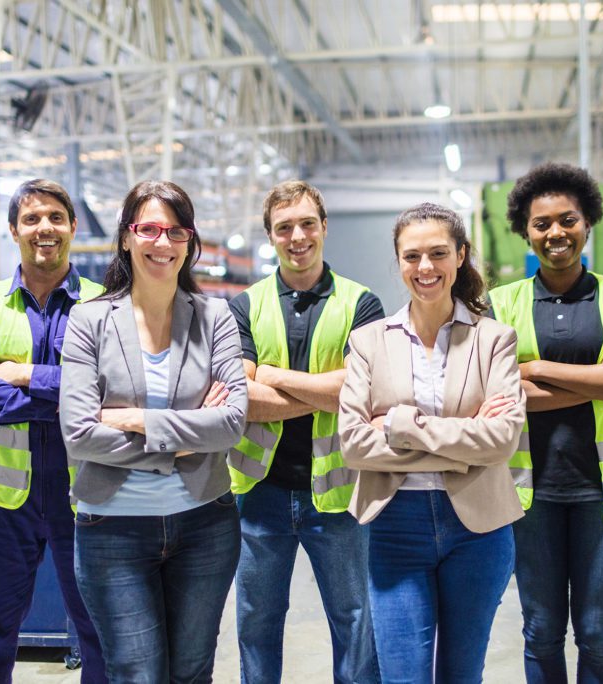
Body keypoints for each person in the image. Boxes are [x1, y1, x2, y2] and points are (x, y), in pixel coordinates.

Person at [59, 180, 247, 683]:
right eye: (149, 229)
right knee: (136, 673)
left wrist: (135, 421)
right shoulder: (90, 320)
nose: (162, 243)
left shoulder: (216, 318)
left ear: (189, 242)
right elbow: (79, 434)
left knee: (191, 671)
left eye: (176, 231)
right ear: (126, 238)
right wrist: (185, 441)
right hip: (112, 530)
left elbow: (230, 422)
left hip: (204, 524)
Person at [337, 202, 526, 683]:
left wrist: (400, 424)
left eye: (438, 253)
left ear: (460, 256)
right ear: (398, 262)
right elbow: (354, 443)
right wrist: (465, 441)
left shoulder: (494, 340)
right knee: (403, 676)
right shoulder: (368, 342)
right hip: (395, 524)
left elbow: (501, 439)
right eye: (412, 256)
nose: (425, 268)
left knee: (463, 674)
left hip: (479, 531)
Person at [488, 162, 603, 684]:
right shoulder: (502, 302)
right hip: (528, 491)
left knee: (598, 630)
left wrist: (534, 368)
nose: (555, 233)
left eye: (568, 220)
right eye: (542, 224)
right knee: (539, 628)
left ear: (587, 223)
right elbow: (496, 394)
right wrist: (598, 374)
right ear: (525, 231)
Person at [0, 179, 107, 684]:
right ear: (13, 229)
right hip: (1, 498)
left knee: (102, 633)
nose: (45, 228)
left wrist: (25, 375)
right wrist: (72, 396)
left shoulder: (106, 305)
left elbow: (121, 391)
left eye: (56, 217)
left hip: (89, 495)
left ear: (73, 228)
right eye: (33, 218)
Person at [227, 180, 384, 684]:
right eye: (284, 227)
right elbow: (241, 399)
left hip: (338, 494)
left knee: (355, 620)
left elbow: (360, 393)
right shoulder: (244, 306)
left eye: (307, 224)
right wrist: (325, 389)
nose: (297, 236)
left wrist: (270, 375)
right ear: (270, 237)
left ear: (324, 228)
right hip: (259, 493)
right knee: (256, 621)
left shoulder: (362, 304)